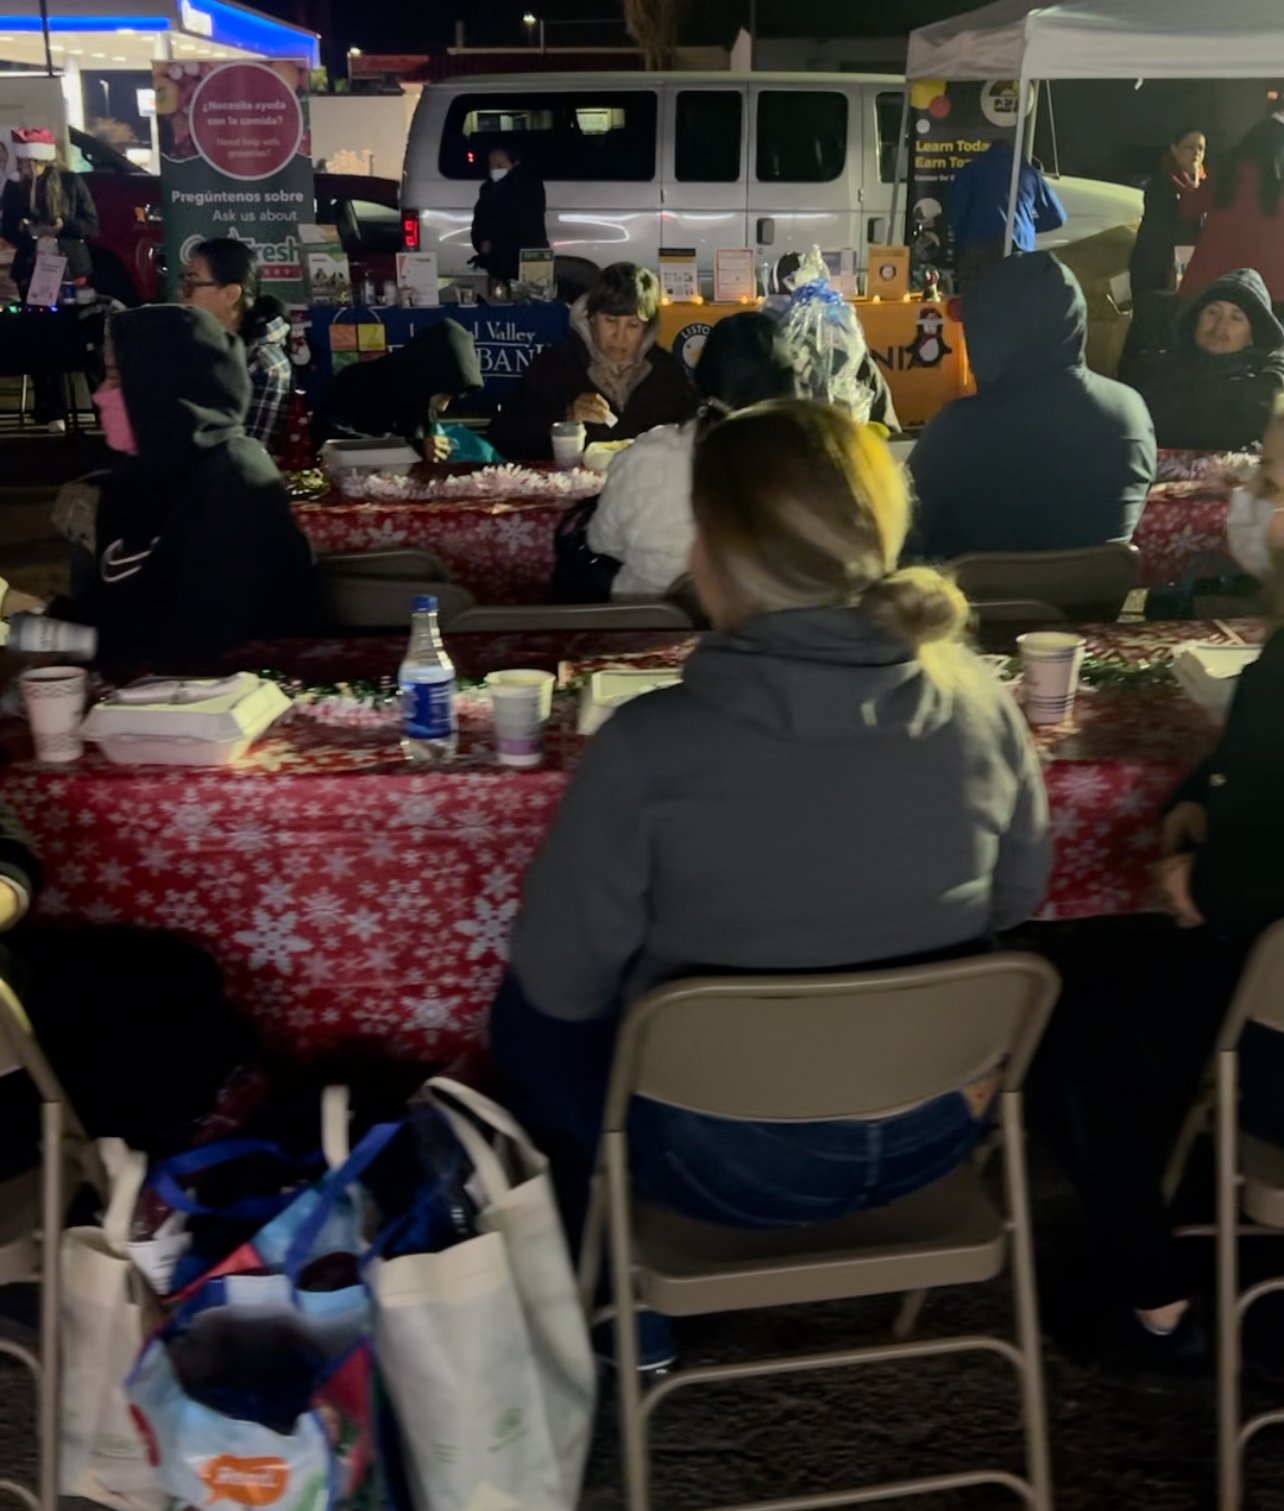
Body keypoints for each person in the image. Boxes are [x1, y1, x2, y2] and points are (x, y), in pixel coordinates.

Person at [491, 400, 1051, 1270]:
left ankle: (592, 1290)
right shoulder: (982, 700)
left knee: (530, 1021)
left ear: (715, 552)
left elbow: (560, 988)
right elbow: (1018, 899)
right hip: (939, 1128)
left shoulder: (649, 747)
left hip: (716, 1164)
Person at [35, 304, 318, 661]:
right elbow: (119, 608)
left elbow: (194, 637)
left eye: (119, 379)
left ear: (168, 387)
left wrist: (55, 632)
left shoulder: (236, 482)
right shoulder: (135, 478)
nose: (99, 394)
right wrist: (41, 620)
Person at [909, 252, 1156, 560]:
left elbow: (905, 528)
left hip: (971, 603)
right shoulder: (1130, 412)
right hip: (1090, 603)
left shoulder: (958, 429)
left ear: (993, 333)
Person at [588, 312, 799, 600]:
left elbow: (602, 541)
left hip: (641, 631)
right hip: (760, 637)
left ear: (701, 380)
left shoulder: (649, 454)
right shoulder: (808, 465)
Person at [489, 263, 698, 461]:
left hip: (644, 491)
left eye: (633, 325)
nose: (620, 336)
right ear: (591, 317)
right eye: (610, 321)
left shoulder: (665, 373)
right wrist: (566, 418)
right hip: (571, 491)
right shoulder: (556, 365)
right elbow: (504, 436)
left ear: (647, 329)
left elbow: (696, 437)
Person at [0, 127, 100, 431]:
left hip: (71, 271)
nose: (25, 169)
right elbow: (5, 227)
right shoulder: (17, 188)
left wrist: (63, 225)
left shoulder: (71, 182)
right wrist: (23, 228)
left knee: (82, 335)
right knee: (39, 336)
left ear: (43, 160)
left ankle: (101, 409)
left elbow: (92, 225)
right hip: (33, 271)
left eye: (30, 163)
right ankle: (49, 407)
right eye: (23, 164)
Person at [1136, 268, 1284, 452]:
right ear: (1196, 319)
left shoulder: (1267, 384)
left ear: (1252, 336)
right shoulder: (1157, 371)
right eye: (1213, 312)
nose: (1220, 327)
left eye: (1236, 318)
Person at [311, 319, 499, 463]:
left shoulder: (419, 392)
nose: (443, 407)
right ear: (427, 374)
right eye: (444, 394)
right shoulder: (355, 384)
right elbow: (331, 437)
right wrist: (412, 449)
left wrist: (431, 447)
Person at [180, 238, 293, 452]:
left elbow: (250, 457)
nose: (180, 293)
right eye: (182, 282)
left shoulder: (265, 364)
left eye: (191, 284)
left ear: (230, 294)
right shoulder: (191, 347)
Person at [1179, 117, 1284, 303]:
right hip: (1268, 291)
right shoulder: (1277, 186)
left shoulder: (1225, 177)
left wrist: (1192, 180)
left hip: (1212, 285)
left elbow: (1187, 208)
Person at [947, 141, 1066, 292]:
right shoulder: (1029, 172)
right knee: (1016, 305)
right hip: (1019, 250)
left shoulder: (971, 170)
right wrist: (1024, 225)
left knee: (976, 305)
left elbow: (955, 216)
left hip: (978, 250)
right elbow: (1058, 217)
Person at [1130, 128, 1207, 299]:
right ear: (1174, 149)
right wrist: (1193, 197)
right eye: (1190, 147)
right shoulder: (1162, 183)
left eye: (1201, 148)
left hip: (1189, 267)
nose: (1196, 153)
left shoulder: (1205, 186)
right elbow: (1164, 231)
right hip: (1157, 270)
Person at [470, 141, 548, 285]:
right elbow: (480, 220)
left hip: (525, 258)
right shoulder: (488, 189)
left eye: (500, 165)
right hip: (497, 261)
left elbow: (525, 223)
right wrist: (482, 241)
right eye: (491, 165)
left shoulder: (529, 186)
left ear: (515, 163)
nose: (494, 170)